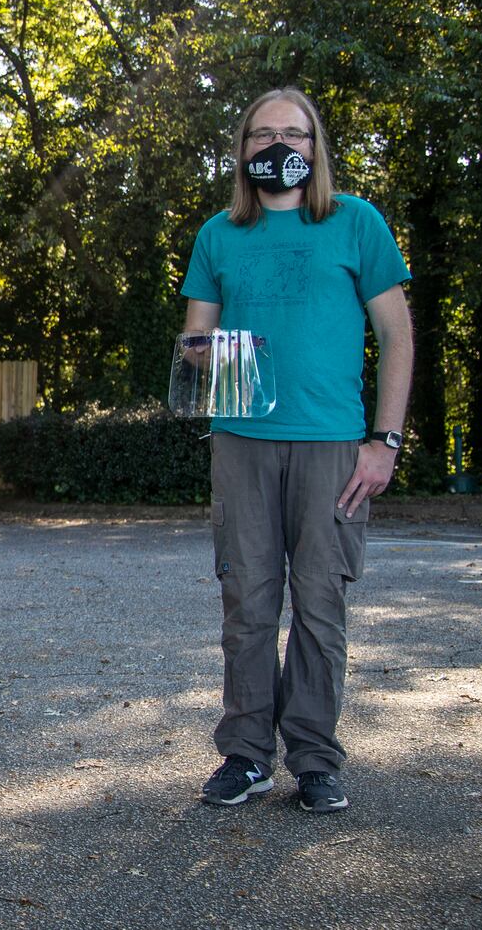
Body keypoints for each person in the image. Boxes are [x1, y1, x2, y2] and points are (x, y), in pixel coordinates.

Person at [181, 88, 413, 814]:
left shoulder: (356, 223)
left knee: (319, 604)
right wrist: (206, 356)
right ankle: (247, 754)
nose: (276, 144)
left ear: (315, 146)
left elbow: (398, 338)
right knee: (247, 603)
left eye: (293, 131)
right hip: (243, 444)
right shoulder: (219, 233)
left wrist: (385, 441)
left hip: (333, 448)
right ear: (243, 148)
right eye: (261, 133)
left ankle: (314, 757)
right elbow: (195, 342)